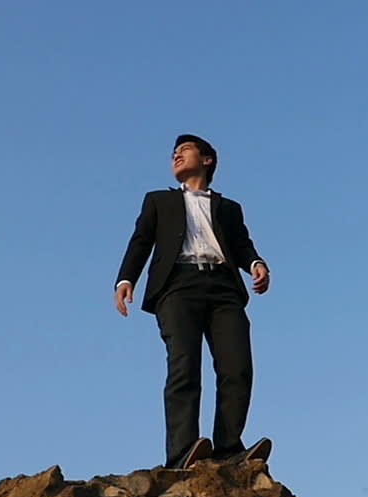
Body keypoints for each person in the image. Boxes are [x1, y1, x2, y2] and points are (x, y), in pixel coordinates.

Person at [114, 134, 272, 469]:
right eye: (173, 152)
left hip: (224, 287)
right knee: (184, 366)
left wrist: (256, 263)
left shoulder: (229, 208)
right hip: (178, 285)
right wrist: (126, 279)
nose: (176, 155)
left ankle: (230, 449)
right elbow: (141, 240)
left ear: (207, 160)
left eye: (184, 150)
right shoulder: (158, 201)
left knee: (237, 367)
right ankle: (183, 451)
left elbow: (242, 244)